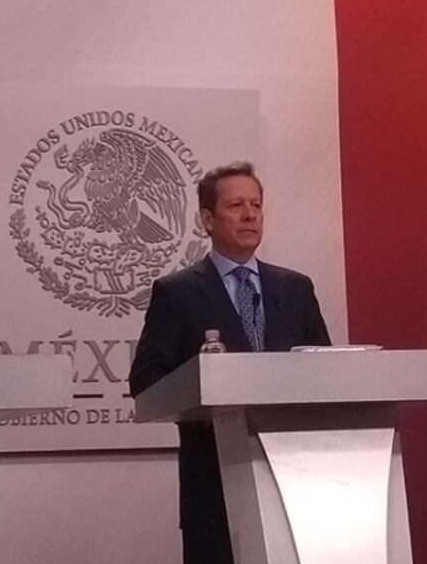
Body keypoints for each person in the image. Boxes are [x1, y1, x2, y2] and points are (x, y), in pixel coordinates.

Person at [129, 161, 331, 564]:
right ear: (207, 219)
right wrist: (207, 395)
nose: (250, 215)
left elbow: (324, 368)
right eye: (236, 205)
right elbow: (146, 379)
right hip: (214, 486)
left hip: (294, 480)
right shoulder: (178, 292)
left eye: (256, 205)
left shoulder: (295, 288)